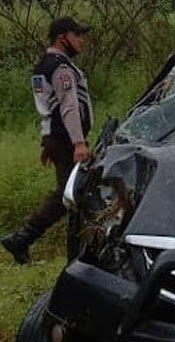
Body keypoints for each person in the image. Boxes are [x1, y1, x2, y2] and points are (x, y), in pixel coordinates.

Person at [1, 16, 93, 264]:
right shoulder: (62, 68)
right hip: (66, 139)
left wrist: (46, 140)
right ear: (63, 38)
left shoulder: (41, 66)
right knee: (69, 194)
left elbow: (44, 107)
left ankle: (84, 246)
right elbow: (68, 107)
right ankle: (21, 239)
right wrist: (79, 143)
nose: (81, 41)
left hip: (55, 138)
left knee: (79, 191)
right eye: (77, 35)